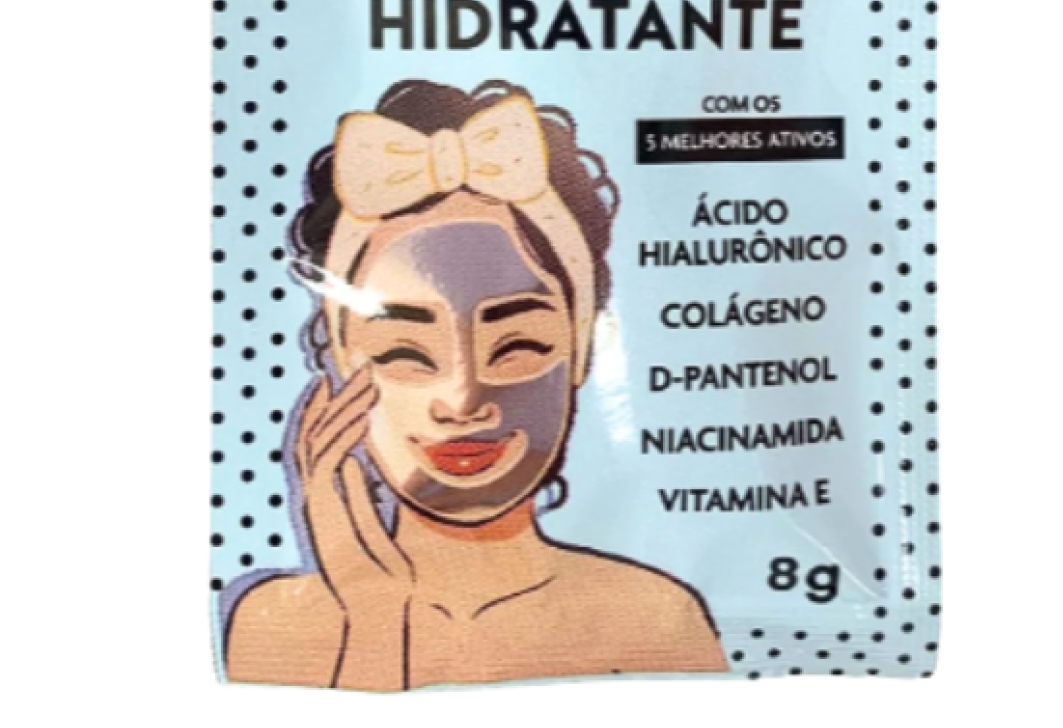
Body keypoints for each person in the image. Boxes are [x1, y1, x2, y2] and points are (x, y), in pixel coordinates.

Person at [224, 80, 727, 690]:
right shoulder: (272, 625)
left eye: (518, 347)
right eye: (404, 353)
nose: (464, 400)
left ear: (581, 352)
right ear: (342, 364)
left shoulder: (654, 618)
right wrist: (373, 612)